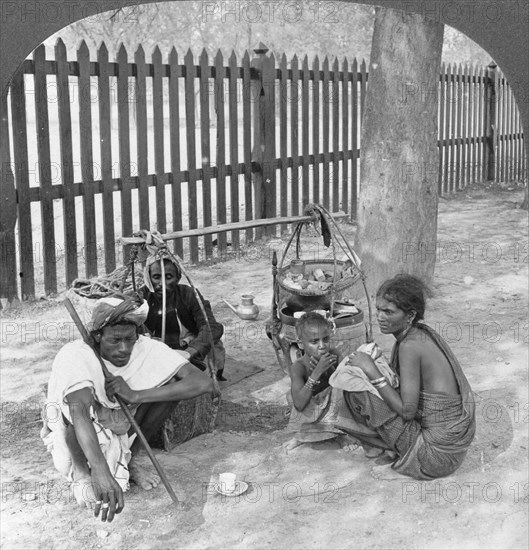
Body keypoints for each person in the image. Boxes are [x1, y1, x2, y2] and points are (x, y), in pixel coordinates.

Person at [41, 293, 216, 522]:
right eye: (114, 340)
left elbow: (203, 382)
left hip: (123, 418)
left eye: (130, 339)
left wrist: (135, 394)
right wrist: (100, 470)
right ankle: (82, 474)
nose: (124, 348)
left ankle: (131, 460)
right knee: (76, 421)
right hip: (80, 425)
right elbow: (79, 412)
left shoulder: (144, 346)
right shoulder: (76, 354)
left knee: (170, 386)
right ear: (97, 337)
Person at [341, 274, 476, 480]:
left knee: (357, 391)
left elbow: (407, 411)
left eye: (388, 312)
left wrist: (372, 370)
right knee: (374, 383)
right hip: (451, 451)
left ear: (410, 315)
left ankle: (387, 449)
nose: (380, 317)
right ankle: (389, 446)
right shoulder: (419, 334)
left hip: (433, 457)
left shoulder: (410, 345)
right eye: (378, 309)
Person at [285, 312, 378, 448]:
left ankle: (342, 434)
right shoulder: (298, 367)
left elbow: (345, 384)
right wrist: (315, 374)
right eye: (314, 342)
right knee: (292, 397)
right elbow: (299, 404)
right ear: (300, 343)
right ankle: (302, 436)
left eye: (326, 339)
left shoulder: (334, 354)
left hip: (332, 408)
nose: (322, 346)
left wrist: (328, 370)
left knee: (342, 392)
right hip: (309, 408)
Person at [140, 255, 227, 381]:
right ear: (149, 278)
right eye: (156, 277)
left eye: (168, 277)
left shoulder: (189, 294)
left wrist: (189, 352)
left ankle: (214, 376)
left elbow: (212, 327)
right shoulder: (143, 296)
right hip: (156, 350)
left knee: (213, 345)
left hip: (188, 347)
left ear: (178, 278)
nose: (161, 284)